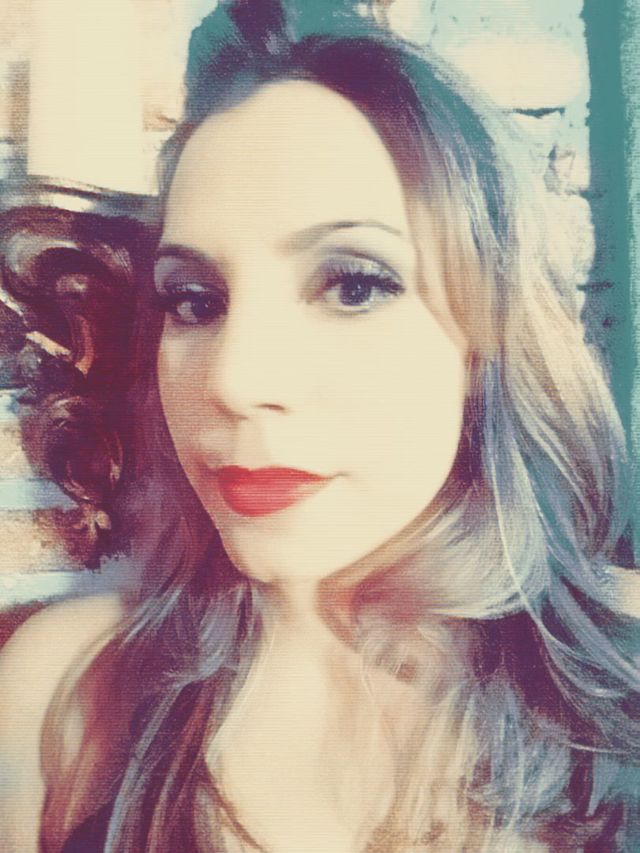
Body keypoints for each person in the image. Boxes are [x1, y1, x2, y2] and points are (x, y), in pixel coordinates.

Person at [1, 1, 639, 851]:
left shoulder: (623, 673)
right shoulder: (65, 693)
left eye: (353, 285)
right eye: (195, 300)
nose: (234, 381)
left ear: (489, 338)